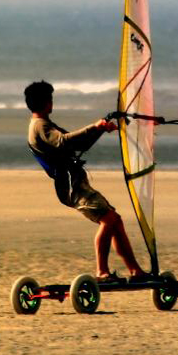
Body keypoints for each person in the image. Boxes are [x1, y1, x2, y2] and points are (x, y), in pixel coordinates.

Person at [24, 80, 150, 284]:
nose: (52, 102)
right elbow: (65, 141)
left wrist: (100, 129)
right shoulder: (40, 126)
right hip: (71, 186)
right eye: (51, 99)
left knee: (115, 220)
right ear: (46, 102)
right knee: (108, 219)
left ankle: (136, 271)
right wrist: (95, 126)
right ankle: (102, 272)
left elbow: (79, 144)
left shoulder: (44, 125)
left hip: (75, 183)